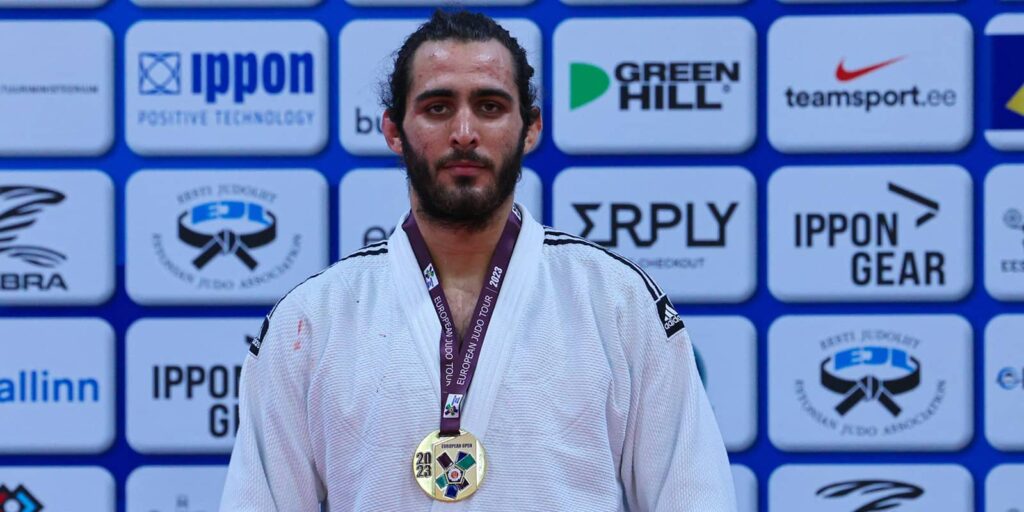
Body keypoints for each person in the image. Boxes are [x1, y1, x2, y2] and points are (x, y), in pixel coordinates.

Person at [220, 9, 736, 511]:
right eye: (437, 107)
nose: (464, 132)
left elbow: (694, 496)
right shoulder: (313, 320)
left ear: (529, 128)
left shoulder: (614, 302)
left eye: (489, 106)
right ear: (394, 130)